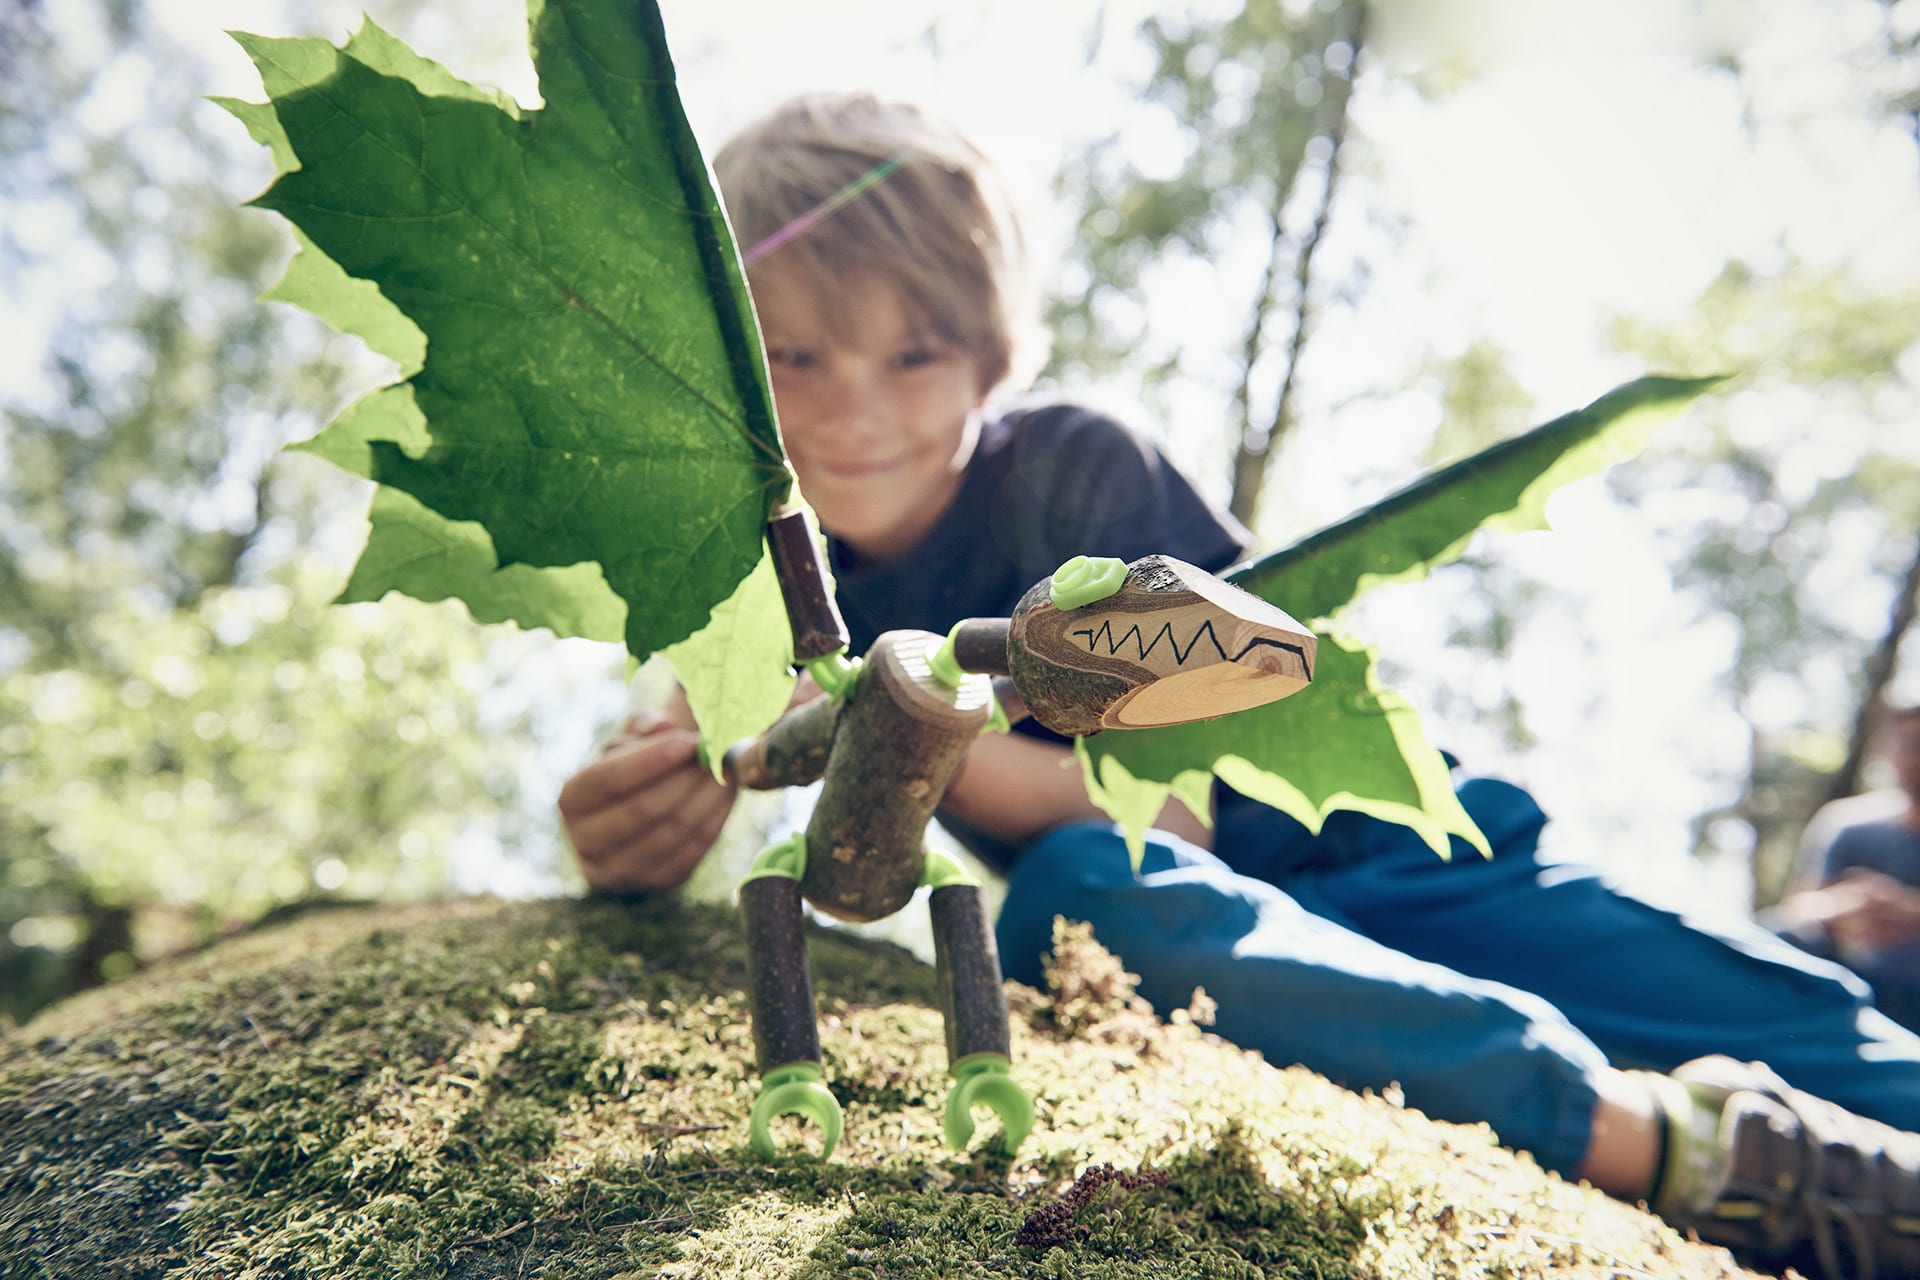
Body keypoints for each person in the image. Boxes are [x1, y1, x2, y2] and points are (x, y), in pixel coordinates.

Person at [558, 91, 1920, 1278]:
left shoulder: (1075, 473)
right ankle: (1674, 1149)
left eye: (913, 353)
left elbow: (1192, 803)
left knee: (1783, 1019)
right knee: (1079, 906)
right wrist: (636, 816)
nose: (854, 403)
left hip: (1412, 873)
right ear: (733, 363)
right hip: (1216, 934)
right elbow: (696, 740)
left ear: (991, 350)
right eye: (793, 355)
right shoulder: (769, 570)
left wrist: (912, 732)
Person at [1769, 706, 1920, 1031]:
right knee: (1777, 934)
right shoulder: (1849, 824)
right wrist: (1844, 906)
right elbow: (1798, 908)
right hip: (1857, 977)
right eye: (1912, 744)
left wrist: (1909, 912)